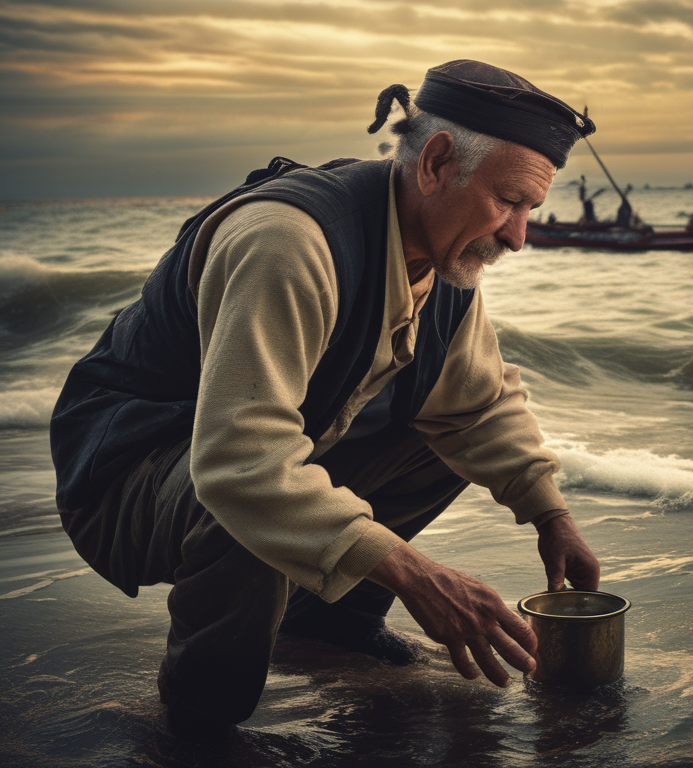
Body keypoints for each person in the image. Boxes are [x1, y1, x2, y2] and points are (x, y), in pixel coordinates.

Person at [49, 60, 601, 739]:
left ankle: (330, 625)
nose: (519, 236)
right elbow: (241, 467)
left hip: (229, 460)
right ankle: (195, 723)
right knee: (250, 510)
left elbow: (476, 406)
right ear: (434, 163)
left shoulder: (444, 259)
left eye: (530, 211)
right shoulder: (290, 243)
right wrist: (415, 576)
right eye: (508, 202)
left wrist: (551, 516)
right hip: (120, 481)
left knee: (439, 436)